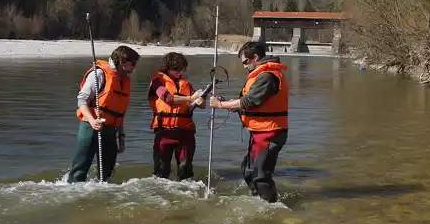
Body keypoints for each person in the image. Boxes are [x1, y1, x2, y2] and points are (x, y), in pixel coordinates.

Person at [209, 41, 289, 203]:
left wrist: (221, 105)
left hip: (270, 132)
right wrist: (231, 105)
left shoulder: (267, 76)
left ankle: (271, 208)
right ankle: (260, 200)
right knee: (248, 171)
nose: (244, 66)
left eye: (246, 62)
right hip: (260, 132)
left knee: (260, 176)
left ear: (256, 58)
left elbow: (249, 101)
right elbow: (249, 103)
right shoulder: (261, 75)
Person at [67, 45, 140, 183]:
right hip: (91, 127)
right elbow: (82, 100)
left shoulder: (123, 80)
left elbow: (118, 112)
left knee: (107, 173)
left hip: (110, 131)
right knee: (80, 170)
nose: (134, 67)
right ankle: (73, 192)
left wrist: (122, 136)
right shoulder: (99, 74)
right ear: (122, 62)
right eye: (133, 63)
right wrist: (92, 121)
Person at [147, 52, 208, 180]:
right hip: (164, 132)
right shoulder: (157, 80)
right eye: (176, 68)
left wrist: (201, 99)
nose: (179, 71)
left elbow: (200, 105)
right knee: (162, 170)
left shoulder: (186, 84)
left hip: (185, 132)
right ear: (167, 67)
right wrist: (191, 98)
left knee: (185, 168)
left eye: (180, 68)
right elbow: (166, 97)